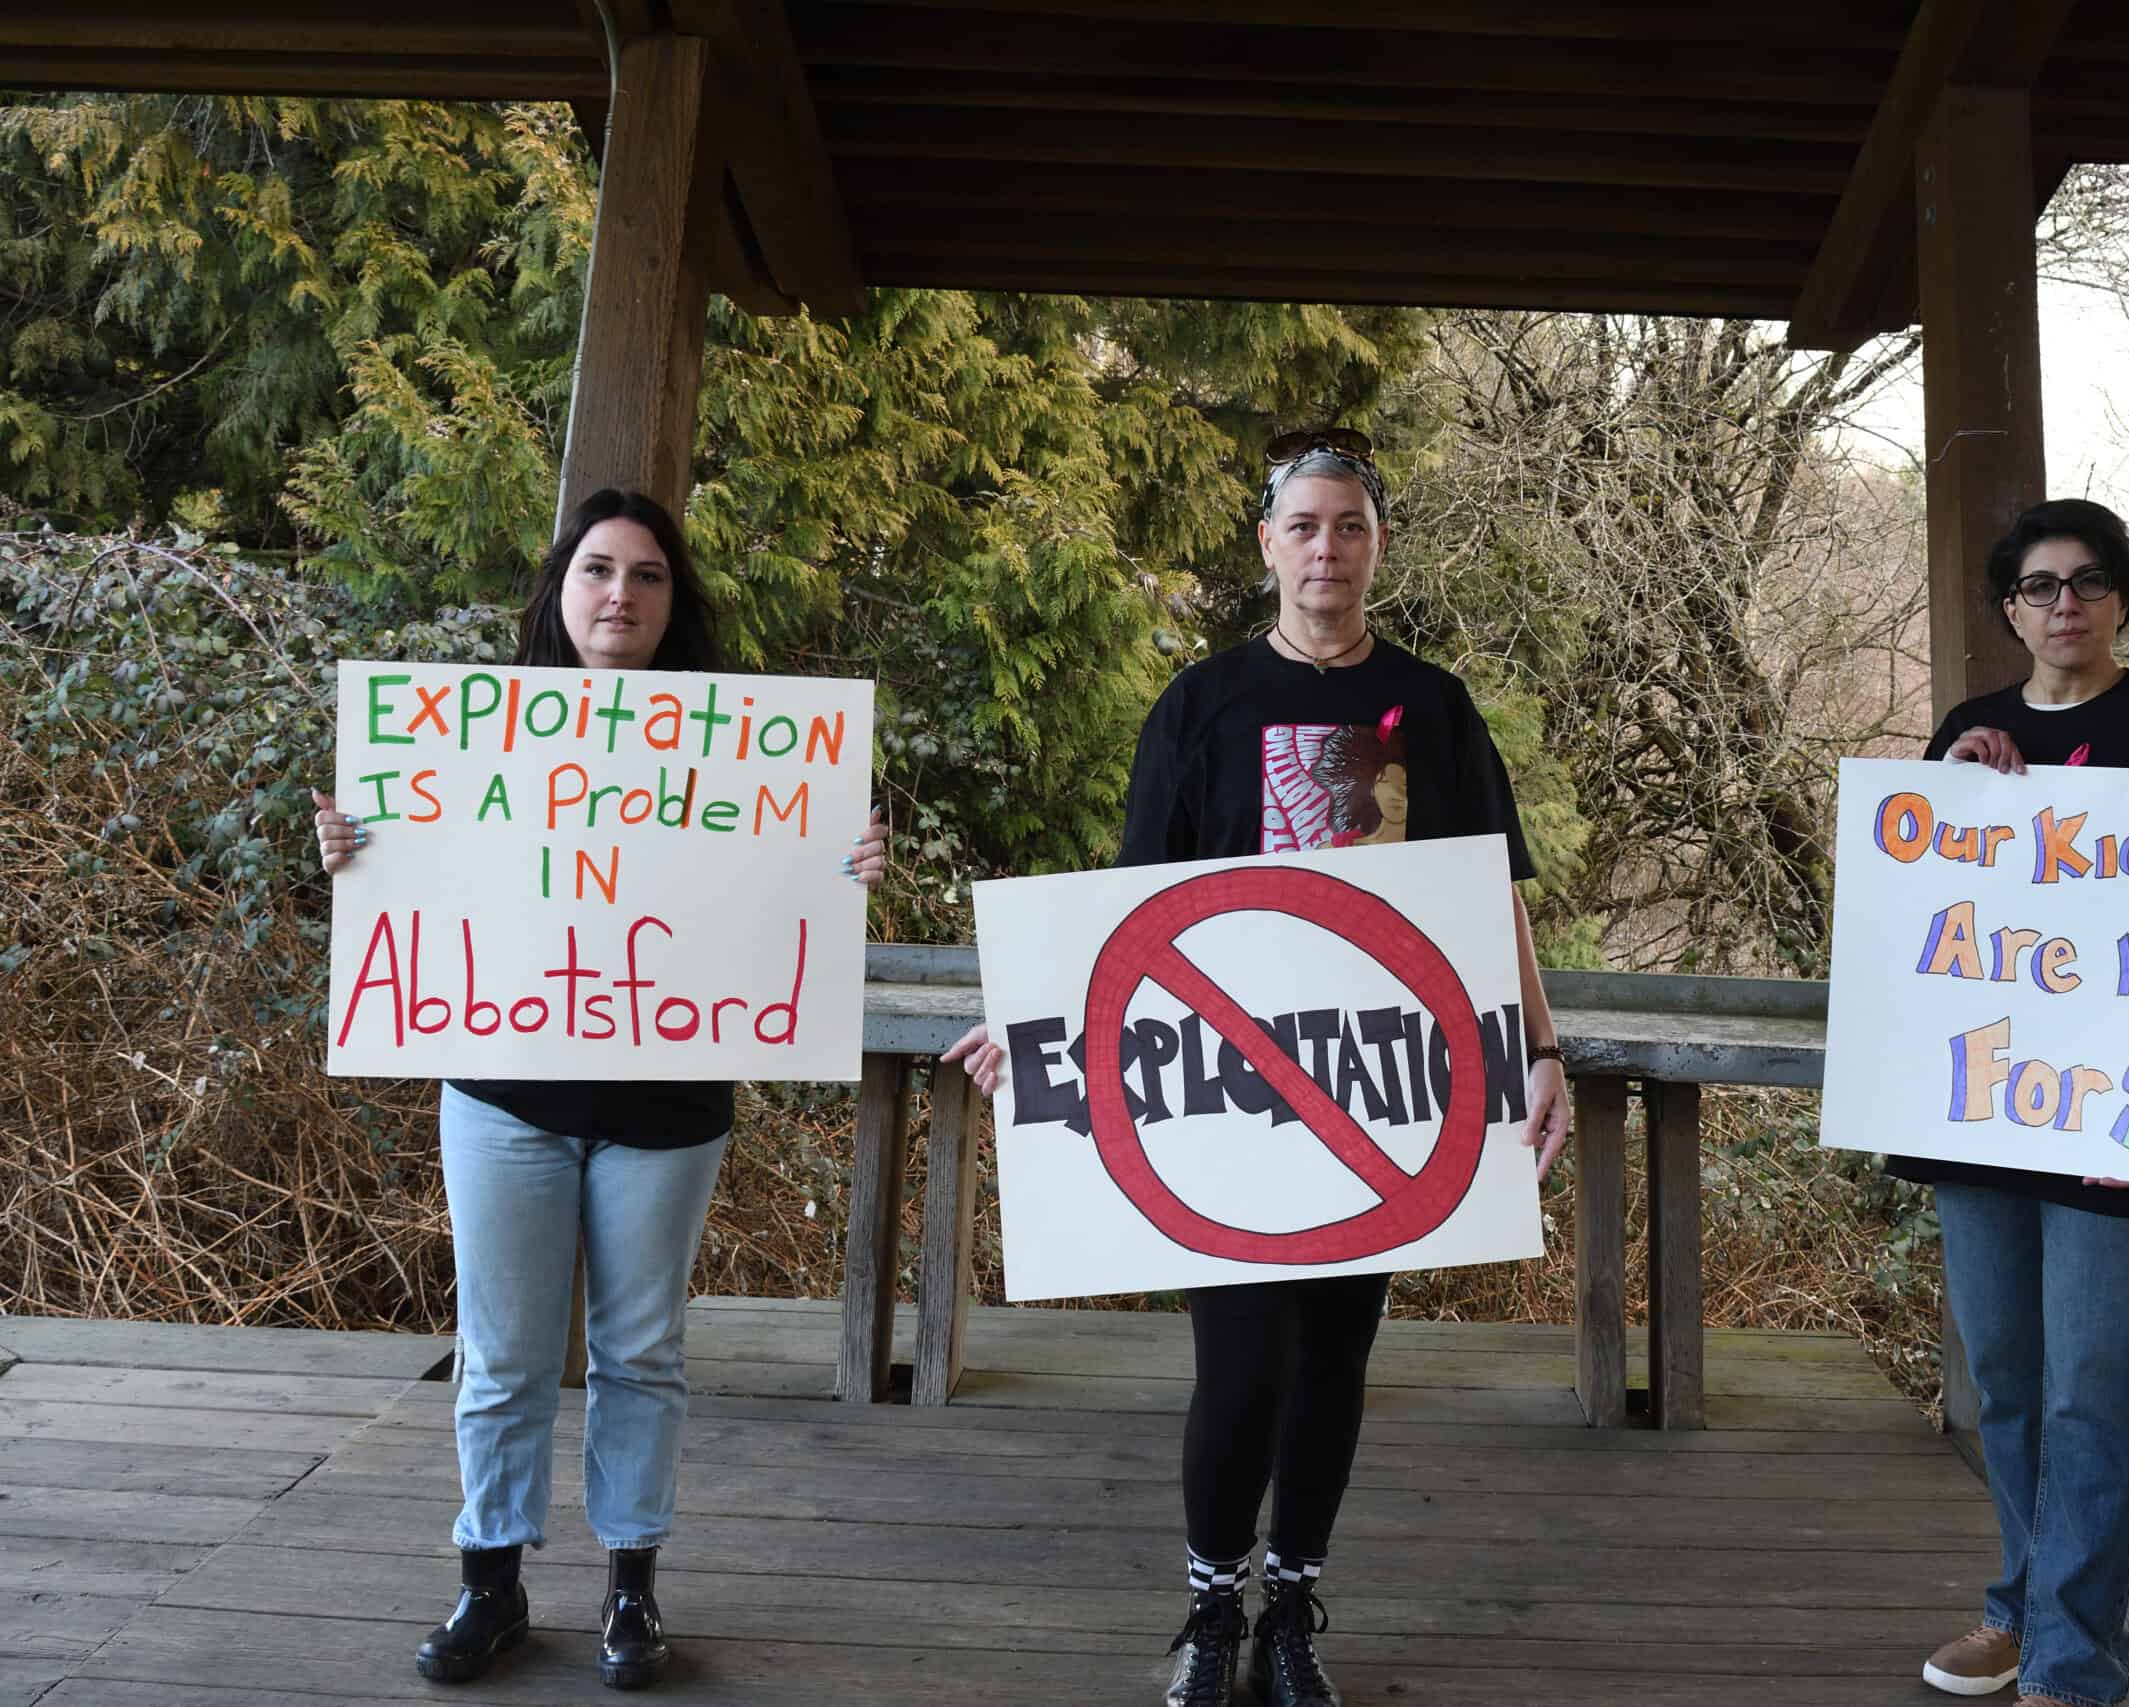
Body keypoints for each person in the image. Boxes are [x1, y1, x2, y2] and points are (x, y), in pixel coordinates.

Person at [944, 429, 1572, 1707]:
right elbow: (1130, 912)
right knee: (1240, 1364)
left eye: (1349, 524)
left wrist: (1543, 1047)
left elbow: (1489, 900)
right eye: (1304, 526)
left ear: (1376, 542)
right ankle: (1211, 1608)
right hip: (1221, 1099)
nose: (1326, 548)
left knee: (1336, 1359)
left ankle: (1293, 1607)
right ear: (1267, 544)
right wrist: (1038, 1025)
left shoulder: (1434, 706)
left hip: (1380, 1087)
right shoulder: (1201, 703)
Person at [312, 488, 890, 1691]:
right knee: (504, 1354)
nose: (618, 593)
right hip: (504, 1093)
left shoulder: (743, 747)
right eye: (596, 571)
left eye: (645, 575)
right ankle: (492, 1586)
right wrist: (358, 851)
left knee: (641, 1353)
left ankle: (632, 1593)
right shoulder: (463, 742)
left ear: (675, 602)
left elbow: (779, 886)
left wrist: (844, 861)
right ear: (559, 589)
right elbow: (420, 883)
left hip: (666, 1110)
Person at [1896, 498, 2129, 1707]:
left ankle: (2075, 1657)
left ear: (2123, 597)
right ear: (2010, 609)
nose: (2065, 604)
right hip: (1988, 1103)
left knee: (2094, 1384)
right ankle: (2022, 1608)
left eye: (2088, 582)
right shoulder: (1972, 728)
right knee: (2007, 1376)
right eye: (2039, 586)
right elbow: (1926, 902)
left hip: (2123, 1109)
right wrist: (1949, 792)